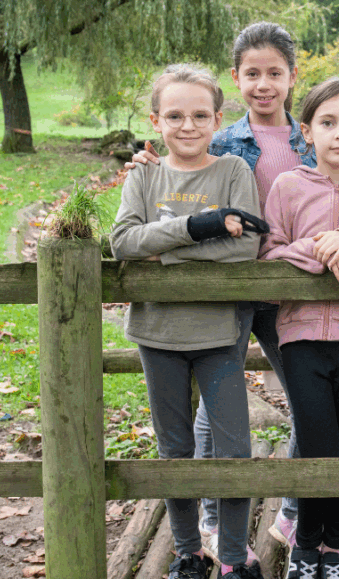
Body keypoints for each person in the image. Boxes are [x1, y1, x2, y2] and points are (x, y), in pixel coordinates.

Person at [127, 22, 315, 553]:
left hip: (287, 287)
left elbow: (337, 191)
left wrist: (167, 244)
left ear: (292, 77)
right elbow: (166, 187)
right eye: (252, 73)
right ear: (236, 79)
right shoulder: (218, 139)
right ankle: (212, 519)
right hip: (223, 297)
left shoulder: (311, 138)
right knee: (216, 413)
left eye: (274, 73)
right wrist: (147, 167)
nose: (263, 84)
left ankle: (293, 509)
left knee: (304, 397)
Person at [110, 63, 267, 579]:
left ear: (218, 118)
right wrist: (200, 226)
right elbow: (124, 243)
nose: (187, 125)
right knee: (174, 448)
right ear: (156, 121)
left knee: (233, 448)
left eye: (200, 115)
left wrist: (171, 250)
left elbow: (245, 247)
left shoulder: (232, 173)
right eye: (174, 115)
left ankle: (234, 557)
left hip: (219, 334)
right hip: (157, 334)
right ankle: (187, 552)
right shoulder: (145, 176)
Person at [259, 78, 339, 579]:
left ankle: (336, 547)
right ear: (306, 131)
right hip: (301, 336)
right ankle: (305, 546)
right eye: (328, 124)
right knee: (316, 446)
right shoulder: (287, 187)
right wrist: (320, 249)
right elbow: (269, 254)